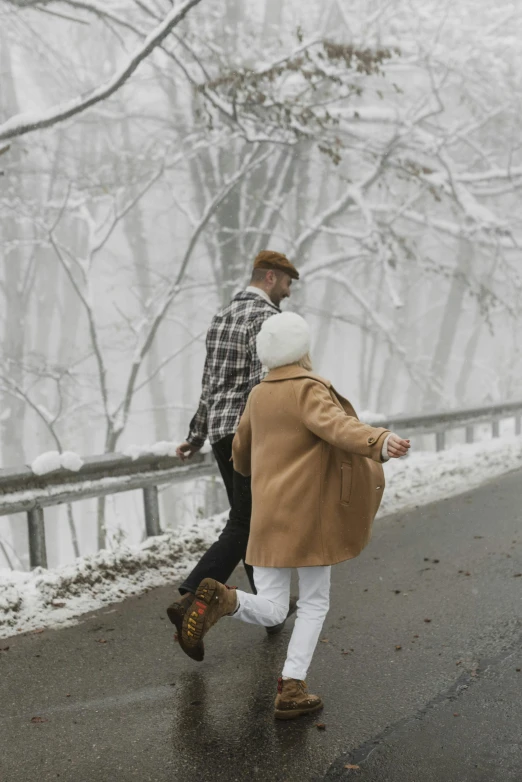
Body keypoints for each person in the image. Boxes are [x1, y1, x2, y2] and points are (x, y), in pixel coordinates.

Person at [180, 311, 410, 719]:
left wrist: (263, 481)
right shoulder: (308, 389)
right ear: (302, 349)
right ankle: (291, 688)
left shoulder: (258, 394)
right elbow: (338, 427)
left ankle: (224, 598)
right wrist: (380, 439)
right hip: (308, 517)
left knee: (271, 604)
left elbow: (239, 454)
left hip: (267, 515)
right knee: (314, 602)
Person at [167, 251, 300, 661]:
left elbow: (209, 382)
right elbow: (268, 381)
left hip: (223, 432)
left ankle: (270, 613)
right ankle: (192, 594)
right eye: (287, 283)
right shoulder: (265, 320)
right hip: (251, 432)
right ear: (272, 277)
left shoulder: (222, 316)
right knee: (248, 521)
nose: (289, 292)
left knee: (252, 518)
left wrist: (197, 434)